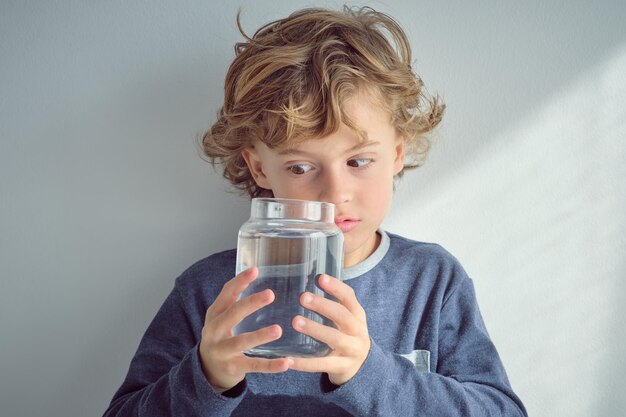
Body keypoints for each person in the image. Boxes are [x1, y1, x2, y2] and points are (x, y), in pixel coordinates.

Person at [103, 6, 527, 417]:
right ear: (258, 167)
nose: (335, 193)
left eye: (359, 161)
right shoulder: (209, 291)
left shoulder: (432, 281)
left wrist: (370, 372)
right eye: (301, 167)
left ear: (397, 152)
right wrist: (206, 377)